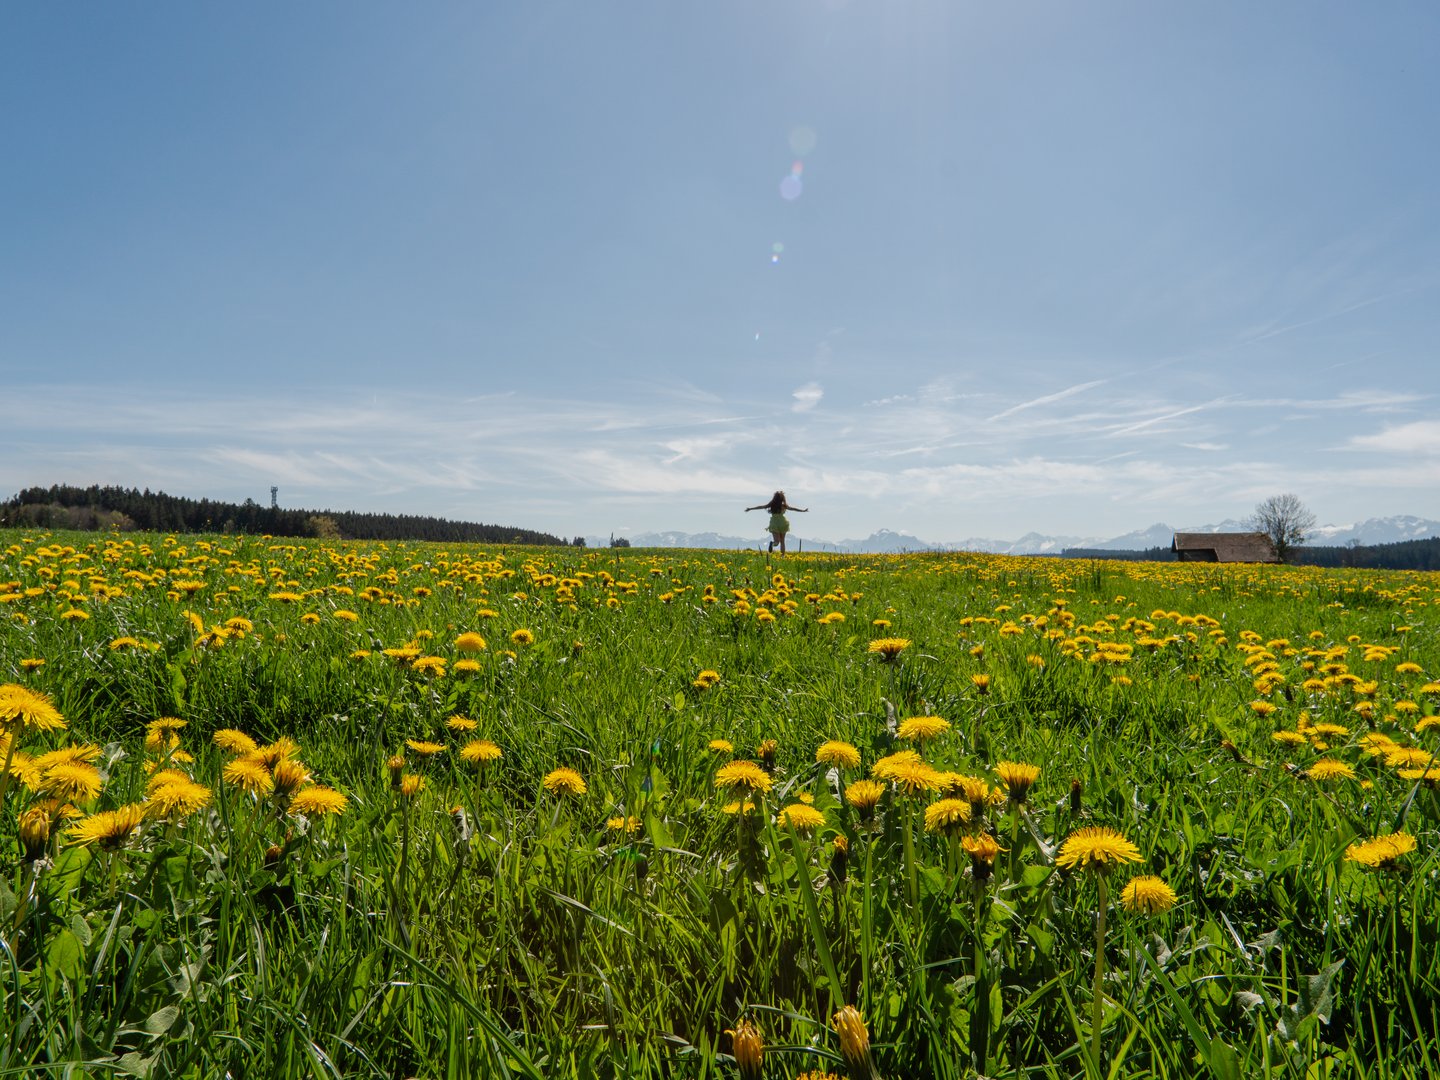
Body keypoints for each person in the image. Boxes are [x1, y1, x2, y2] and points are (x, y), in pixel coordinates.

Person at [745, 490, 807, 554]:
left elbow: (761, 507)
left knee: (776, 542)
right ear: (782, 498)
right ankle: (782, 556)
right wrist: (802, 510)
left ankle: (772, 544)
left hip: (774, 523)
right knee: (782, 541)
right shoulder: (783, 505)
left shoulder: (772, 504)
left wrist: (750, 508)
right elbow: (793, 509)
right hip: (783, 523)